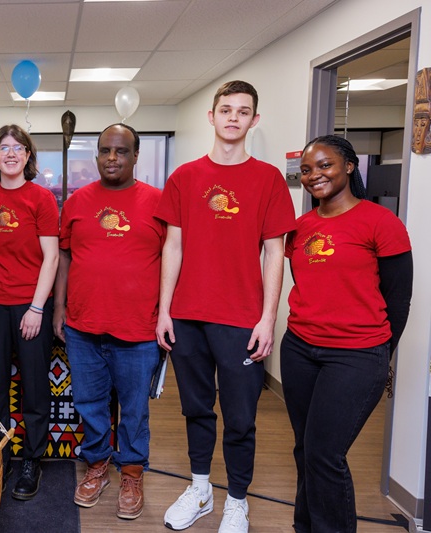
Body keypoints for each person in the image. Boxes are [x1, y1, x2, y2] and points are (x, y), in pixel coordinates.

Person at [156, 80, 296, 533]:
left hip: (241, 320)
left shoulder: (269, 179)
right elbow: (172, 248)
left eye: (243, 111)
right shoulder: (184, 178)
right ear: (211, 117)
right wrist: (164, 311)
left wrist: (267, 319)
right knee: (196, 409)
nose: (233, 117)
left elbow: (275, 252)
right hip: (188, 317)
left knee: (240, 417)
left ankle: (237, 501)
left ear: (254, 120)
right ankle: (200, 489)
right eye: (225, 109)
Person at [281, 135, 412, 533]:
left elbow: (398, 300)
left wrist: (381, 358)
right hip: (300, 350)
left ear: (350, 167)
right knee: (306, 449)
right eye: (306, 170)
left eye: (325, 165)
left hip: (355, 354)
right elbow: (305, 283)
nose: (314, 175)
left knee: (325, 453)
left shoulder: (381, 222)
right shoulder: (300, 228)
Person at [53, 123, 164, 520]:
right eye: (105, 151)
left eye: (120, 151)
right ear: (97, 155)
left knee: (134, 408)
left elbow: (173, 262)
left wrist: (166, 314)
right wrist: (58, 309)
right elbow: (64, 257)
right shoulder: (78, 201)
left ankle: (132, 473)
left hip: (138, 328)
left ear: (136, 156)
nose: (112, 158)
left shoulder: (159, 202)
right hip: (83, 325)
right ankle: (97, 466)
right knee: (90, 403)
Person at [0, 124, 59, 501]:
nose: (11, 153)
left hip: (30, 302)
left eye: (18, 148)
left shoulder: (42, 198)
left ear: (28, 156)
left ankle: (32, 459)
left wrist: (37, 308)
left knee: (35, 385)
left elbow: (51, 257)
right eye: (4, 147)